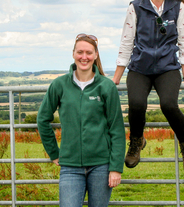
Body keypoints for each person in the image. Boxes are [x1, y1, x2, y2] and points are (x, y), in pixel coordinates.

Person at [113, 0, 184, 175]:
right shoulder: (136, 7)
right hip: (140, 68)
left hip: (167, 67)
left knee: (169, 105)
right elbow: (126, 41)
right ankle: (136, 142)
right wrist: (115, 78)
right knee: (136, 103)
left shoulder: (176, 6)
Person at [37, 33, 126, 207]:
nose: (84, 57)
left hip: (101, 165)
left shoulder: (106, 87)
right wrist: (54, 153)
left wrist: (115, 168)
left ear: (95, 55)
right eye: (80, 52)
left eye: (88, 52)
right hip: (70, 167)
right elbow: (42, 119)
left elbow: (116, 129)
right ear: (73, 54)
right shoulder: (59, 85)